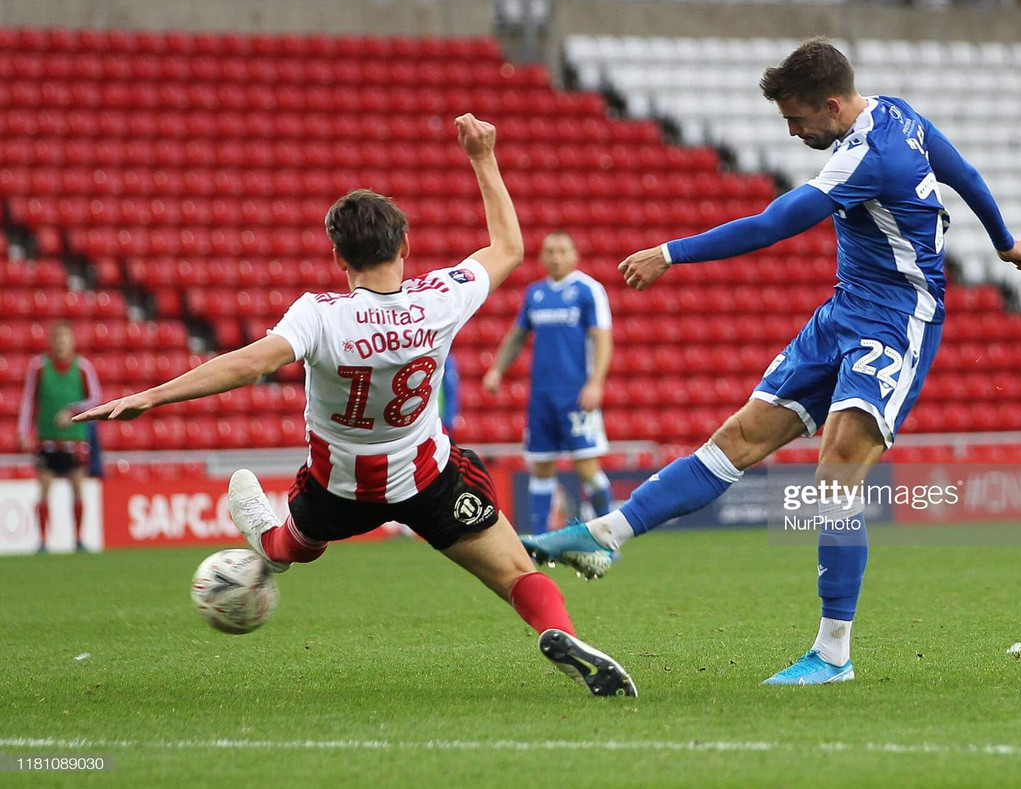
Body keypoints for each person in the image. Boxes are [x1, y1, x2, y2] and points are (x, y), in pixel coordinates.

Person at [522, 38, 1021, 685]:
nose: (792, 132)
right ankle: (607, 533)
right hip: (843, 313)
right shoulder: (898, 115)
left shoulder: (865, 158)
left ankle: (833, 652)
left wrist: (672, 253)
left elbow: (773, 224)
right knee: (737, 437)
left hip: (898, 322)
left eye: (796, 119)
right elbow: (960, 169)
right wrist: (1004, 239)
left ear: (829, 103)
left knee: (837, 471)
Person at [75, 115, 636, 698]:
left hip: (338, 487)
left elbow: (252, 363)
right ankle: (557, 630)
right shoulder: (440, 299)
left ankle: (267, 544)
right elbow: (510, 247)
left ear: (339, 259)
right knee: (517, 574)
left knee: (290, 547)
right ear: (406, 246)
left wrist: (152, 396)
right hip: (427, 478)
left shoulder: (319, 314)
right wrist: (482, 157)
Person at [482, 231, 614, 532]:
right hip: (541, 396)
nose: (555, 256)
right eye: (550, 251)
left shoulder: (587, 290)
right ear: (541, 257)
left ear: (574, 255)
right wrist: (497, 370)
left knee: (587, 467)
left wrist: (595, 383)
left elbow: (602, 338)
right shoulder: (535, 293)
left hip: (575, 393)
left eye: (562, 250)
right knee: (540, 466)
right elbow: (518, 335)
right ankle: (540, 540)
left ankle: (609, 535)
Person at [18, 320, 102, 553]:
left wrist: (72, 410)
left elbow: (95, 398)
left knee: (77, 487)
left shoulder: (83, 367)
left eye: (65, 338)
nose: (61, 343)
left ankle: (78, 539)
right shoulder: (39, 367)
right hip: (47, 438)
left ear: (72, 341)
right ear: (51, 342)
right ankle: (43, 541)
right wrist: (24, 431)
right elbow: (29, 400)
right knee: (44, 487)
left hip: (74, 438)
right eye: (57, 338)